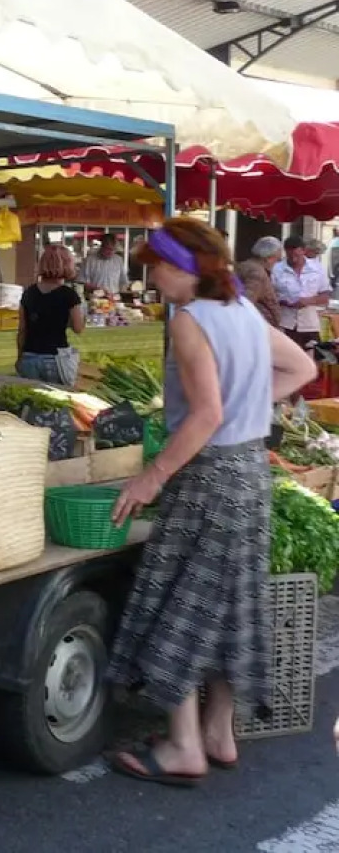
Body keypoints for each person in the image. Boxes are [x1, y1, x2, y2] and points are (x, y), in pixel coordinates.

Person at [106, 218, 316, 787]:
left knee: (176, 600)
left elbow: (204, 416)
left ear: (181, 267)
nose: (150, 278)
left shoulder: (191, 321)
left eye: (154, 266)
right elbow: (304, 368)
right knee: (231, 606)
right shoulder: (245, 310)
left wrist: (152, 476)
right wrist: (250, 404)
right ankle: (219, 734)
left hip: (207, 478)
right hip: (250, 472)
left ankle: (182, 747)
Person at [15, 244, 84, 385]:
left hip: (30, 356)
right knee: (58, 402)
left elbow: (22, 330)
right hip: (56, 358)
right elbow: (78, 328)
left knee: (31, 402)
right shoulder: (69, 295)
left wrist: (20, 357)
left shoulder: (29, 293)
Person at [272, 235, 329, 347]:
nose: (293, 258)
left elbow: (325, 296)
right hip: (285, 324)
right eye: (290, 255)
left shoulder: (317, 269)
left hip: (309, 324)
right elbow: (270, 295)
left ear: (303, 251)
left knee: (311, 360)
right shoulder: (277, 269)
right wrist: (283, 302)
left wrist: (308, 301)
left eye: (296, 255)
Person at [235, 236, 282, 328]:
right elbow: (247, 301)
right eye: (276, 259)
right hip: (260, 324)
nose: (276, 263)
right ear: (268, 258)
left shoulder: (243, 265)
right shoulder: (257, 272)